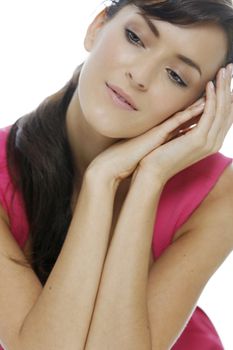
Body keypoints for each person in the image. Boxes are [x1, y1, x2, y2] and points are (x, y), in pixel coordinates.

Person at [0, 0, 233, 349]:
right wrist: (102, 179)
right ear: (97, 28)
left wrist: (148, 179)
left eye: (176, 76)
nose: (139, 77)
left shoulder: (218, 192)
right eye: (135, 38)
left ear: (197, 108)